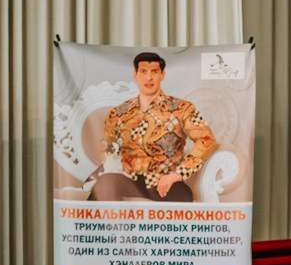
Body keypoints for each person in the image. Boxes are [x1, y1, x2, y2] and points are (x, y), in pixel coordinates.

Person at [91, 51, 217, 202]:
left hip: (166, 182)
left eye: (155, 72)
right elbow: (108, 147)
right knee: (105, 183)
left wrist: (177, 174)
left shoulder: (181, 108)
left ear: (162, 75)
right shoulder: (118, 113)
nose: (149, 77)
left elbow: (207, 140)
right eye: (143, 71)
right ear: (135, 74)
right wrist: (119, 161)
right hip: (128, 180)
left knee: (182, 198)